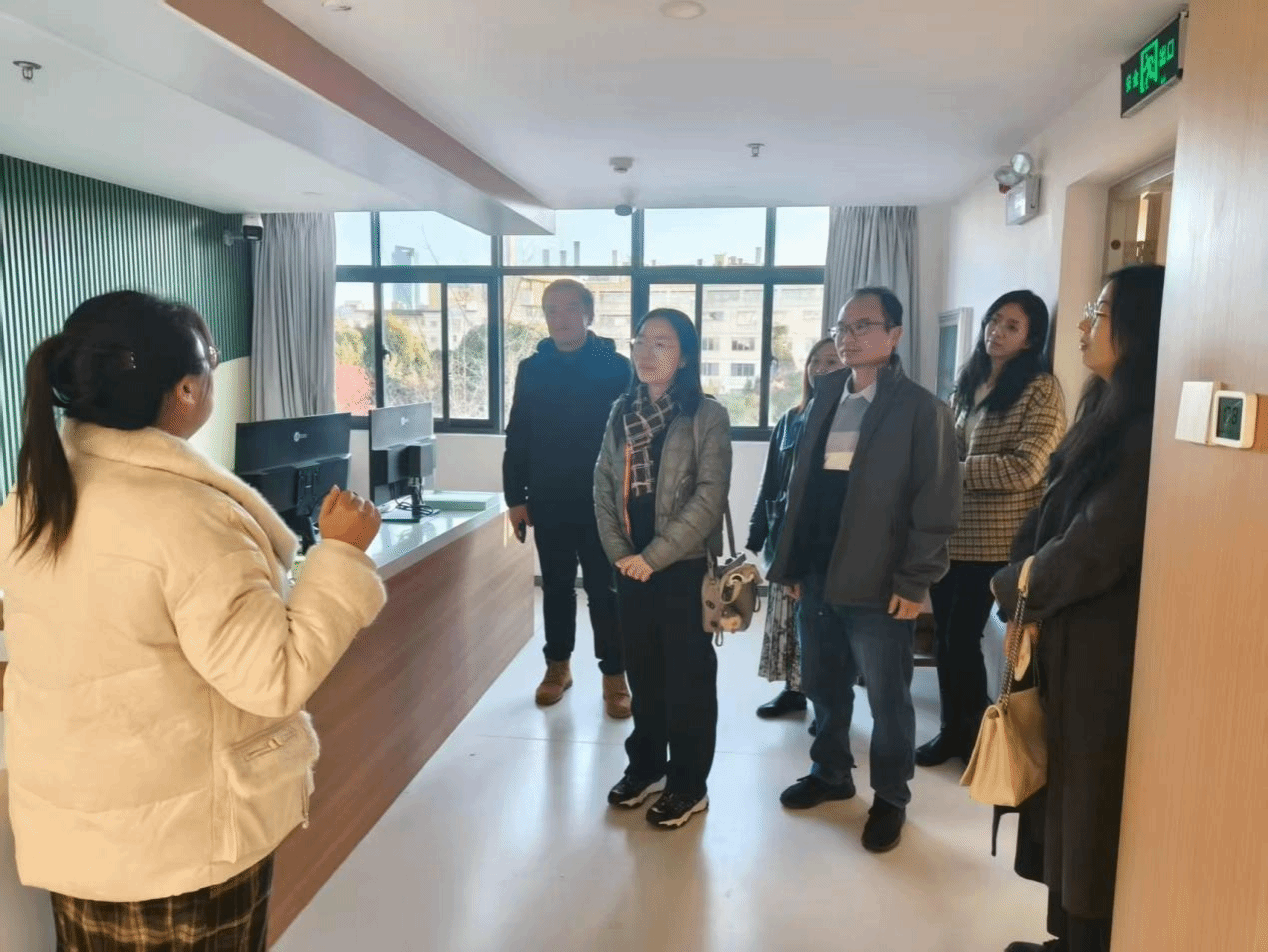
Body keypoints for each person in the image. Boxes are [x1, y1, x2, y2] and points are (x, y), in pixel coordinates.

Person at [0, 291, 386, 952]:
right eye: (210, 359)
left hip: (83, 838)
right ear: (184, 389)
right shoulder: (188, 516)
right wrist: (342, 555)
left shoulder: (33, 500)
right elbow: (271, 678)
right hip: (182, 846)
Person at [995, 265, 1165, 952]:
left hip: (1103, 645)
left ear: (1141, 328)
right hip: (1066, 630)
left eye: (1100, 310)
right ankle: (1066, 938)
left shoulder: (1146, 429)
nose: (1084, 323)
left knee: (1088, 805)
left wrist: (1016, 587)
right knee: (1064, 795)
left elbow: (1097, 544)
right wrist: (1021, 579)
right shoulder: (1104, 409)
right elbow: (1052, 512)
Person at [767, 287, 961, 853]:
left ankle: (891, 798)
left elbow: (937, 503)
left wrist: (915, 580)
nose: (847, 338)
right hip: (819, 573)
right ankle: (830, 773)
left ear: (894, 336)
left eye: (863, 326)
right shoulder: (826, 395)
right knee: (824, 685)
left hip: (880, 583)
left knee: (887, 700)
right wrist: (793, 562)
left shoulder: (922, 410)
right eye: (841, 327)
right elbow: (803, 490)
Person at [594, 308, 732, 830]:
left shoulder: (706, 415)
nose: (646, 352)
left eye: (662, 343)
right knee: (644, 672)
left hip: (682, 566)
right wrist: (620, 553)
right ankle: (648, 766)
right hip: (629, 565)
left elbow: (709, 497)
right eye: (640, 341)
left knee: (688, 679)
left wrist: (652, 558)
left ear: (686, 356)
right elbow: (602, 485)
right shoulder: (620, 410)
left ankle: (689, 785)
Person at [916, 291, 1066, 767]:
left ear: (1031, 339)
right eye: (993, 321)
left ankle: (973, 737)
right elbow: (948, 447)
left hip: (999, 540)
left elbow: (1028, 467)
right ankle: (953, 731)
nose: (996, 332)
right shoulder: (969, 382)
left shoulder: (1040, 389)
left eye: (1011, 326)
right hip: (952, 533)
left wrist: (954, 471)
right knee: (946, 640)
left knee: (963, 638)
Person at [503, 279, 633, 717]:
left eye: (570, 308)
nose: (560, 318)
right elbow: (518, 434)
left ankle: (615, 675)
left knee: (605, 591)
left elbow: (632, 439)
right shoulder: (532, 368)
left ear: (589, 314)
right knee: (556, 588)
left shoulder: (617, 367)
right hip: (549, 497)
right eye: (551, 310)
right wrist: (515, 497)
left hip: (604, 501)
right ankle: (557, 667)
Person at [748, 338, 844, 720]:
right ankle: (793, 692)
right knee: (787, 617)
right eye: (814, 360)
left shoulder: (850, 421)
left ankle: (827, 707)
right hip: (786, 534)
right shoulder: (791, 418)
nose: (820, 368)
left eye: (831, 361)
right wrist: (758, 531)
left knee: (821, 626)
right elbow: (771, 479)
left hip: (825, 540)